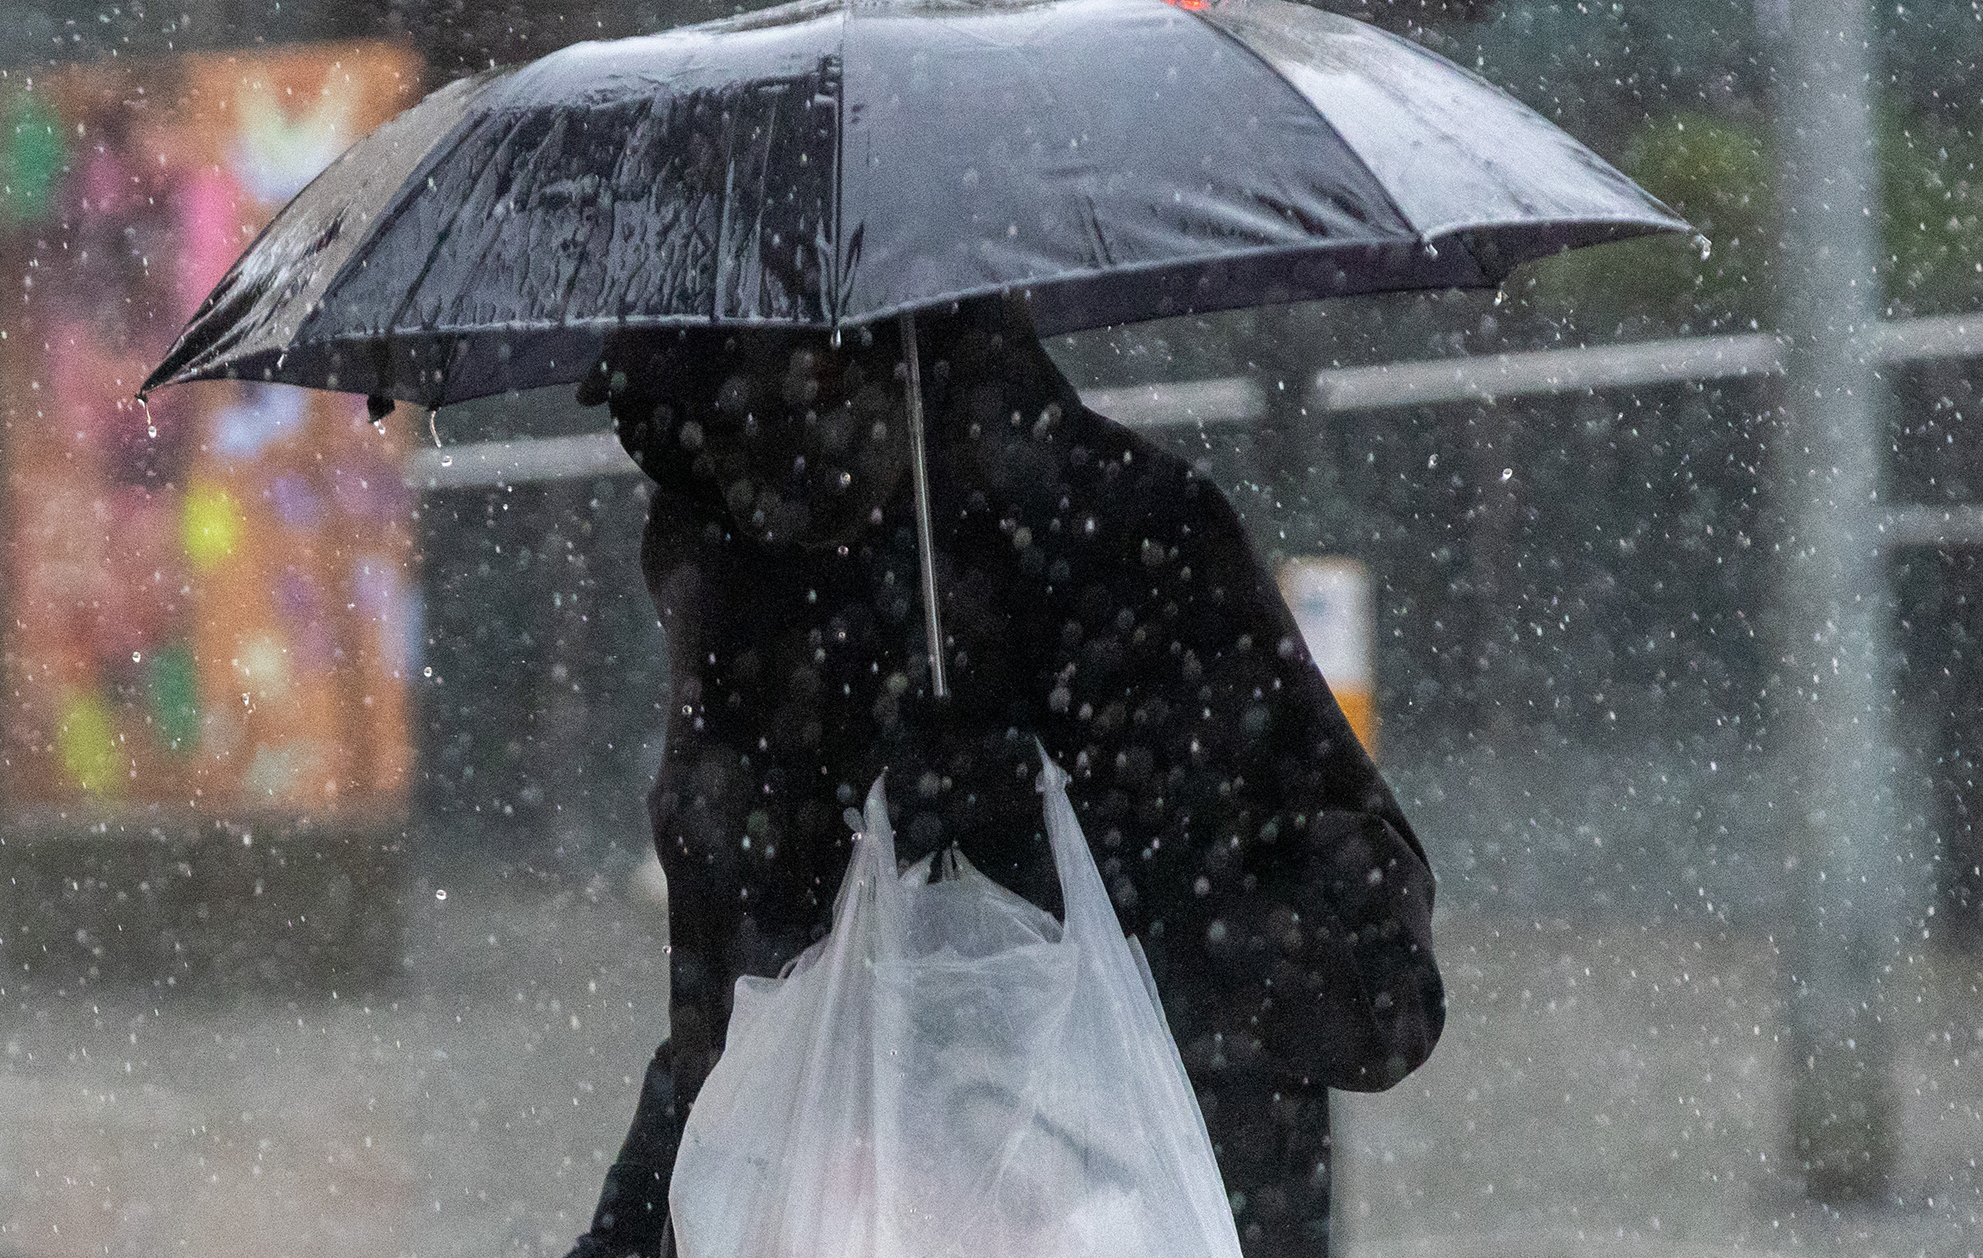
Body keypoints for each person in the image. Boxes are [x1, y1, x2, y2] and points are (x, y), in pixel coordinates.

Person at [568, 298, 1444, 1258]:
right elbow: (725, 1031)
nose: (754, 478)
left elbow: (1376, 994)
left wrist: (1063, 885)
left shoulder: (1132, 549)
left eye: (790, 394)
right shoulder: (745, 598)